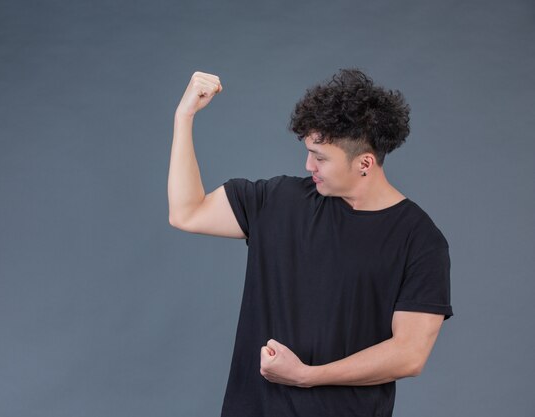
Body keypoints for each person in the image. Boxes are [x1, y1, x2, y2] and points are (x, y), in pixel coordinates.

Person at [168, 69, 453, 417]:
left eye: (320, 157)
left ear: (364, 163)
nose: (308, 165)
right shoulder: (278, 201)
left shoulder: (420, 240)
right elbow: (187, 212)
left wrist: (307, 376)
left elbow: (409, 354)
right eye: (308, 152)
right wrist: (184, 117)